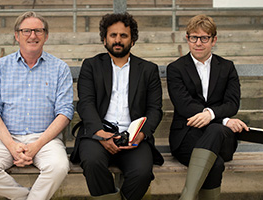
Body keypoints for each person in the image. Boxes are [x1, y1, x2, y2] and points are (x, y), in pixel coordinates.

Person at [0, 11, 74, 200]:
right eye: (26, 31)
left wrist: (36, 145)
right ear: (17, 35)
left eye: (38, 31)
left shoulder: (60, 68)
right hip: (5, 137)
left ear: (46, 35)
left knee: (59, 167)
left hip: (45, 139)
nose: (33, 36)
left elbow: (65, 112)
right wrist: (11, 145)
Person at [70, 12, 164, 200]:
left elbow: (155, 109)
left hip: (134, 138)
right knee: (92, 162)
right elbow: (86, 104)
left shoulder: (148, 69)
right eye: (113, 35)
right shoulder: (91, 66)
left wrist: (141, 134)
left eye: (124, 35)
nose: (118, 40)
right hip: (97, 135)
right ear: (104, 40)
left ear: (133, 40)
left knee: (142, 172)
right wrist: (100, 133)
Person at [166, 14, 249, 200]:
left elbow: (233, 103)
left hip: (222, 139)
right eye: (194, 37)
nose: (198, 43)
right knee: (216, 164)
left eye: (204, 38)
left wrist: (210, 115)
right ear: (187, 39)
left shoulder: (227, 67)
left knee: (216, 130)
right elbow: (184, 105)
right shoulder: (176, 69)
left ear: (214, 40)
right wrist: (221, 118)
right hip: (187, 136)